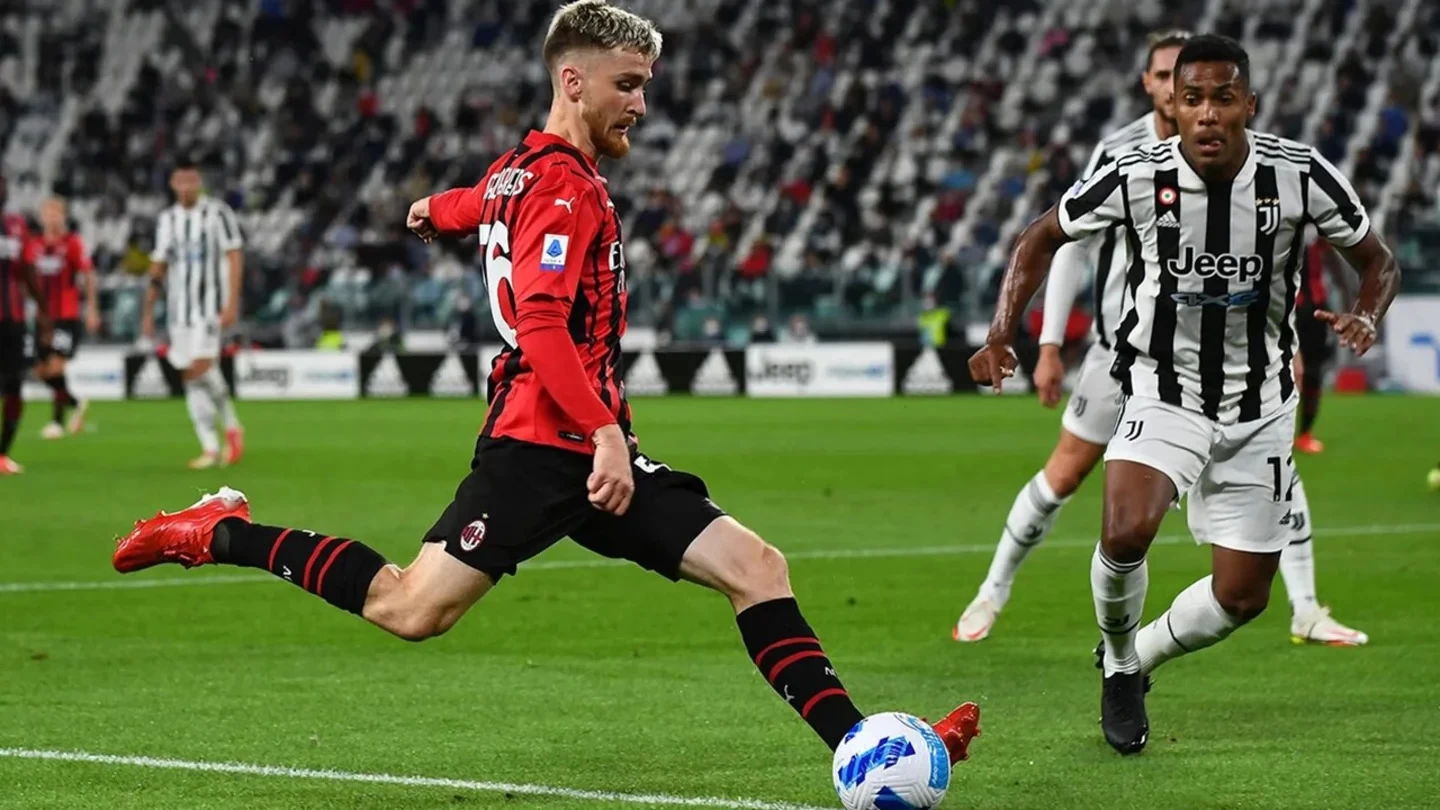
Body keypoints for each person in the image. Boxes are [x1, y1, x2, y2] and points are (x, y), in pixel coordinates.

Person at [110, 0, 981, 768]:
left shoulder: (522, 169)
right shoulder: (565, 189)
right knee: (410, 609)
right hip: (540, 446)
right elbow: (540, 325)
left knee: (757, 567)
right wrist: (604, 433)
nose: (640, 104)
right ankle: (220, 533)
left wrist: (432, 209)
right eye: (627, 85)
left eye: (644, 86)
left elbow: (473, 201)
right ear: (573, 81)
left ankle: (867, 752)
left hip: (590, 452)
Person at [969, 35, 1398, 754]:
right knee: (1124, 529)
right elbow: (1040, 238)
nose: (1205, 114)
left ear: (1249, 105)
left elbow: (1377, 259)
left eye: (1222, 99)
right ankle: (1118, 664)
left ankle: (1144, 654)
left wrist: (1367, 313)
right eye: (1191, 98)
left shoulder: (1299, 174)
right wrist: (1002, 333)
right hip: (1163, 391)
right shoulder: (1135, 173)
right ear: (1172, 102)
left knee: (1242, 597)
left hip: (1261, 407)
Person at [142, 158, 246, 469]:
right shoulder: (167, 220)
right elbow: (158, 266)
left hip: (209, 307)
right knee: (190, 376)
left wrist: (231, 303)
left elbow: (234, 255)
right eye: (181, 181)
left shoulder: (218, 213)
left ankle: (231, 427)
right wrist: (148, 310)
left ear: (199, 182)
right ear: (173, 184)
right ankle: (211, 446)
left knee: (199, 368)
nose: (186, 187)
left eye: (191, 180)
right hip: (179, 312)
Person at [25, 197, 97, 438]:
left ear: (64, 216)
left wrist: (92, 309)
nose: (52, 217)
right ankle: (75, 402)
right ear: (41, 217)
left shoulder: (72, 243)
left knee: (56, 367)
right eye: (48, 212)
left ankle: (57, 422)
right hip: (41, 318)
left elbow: (88, 274)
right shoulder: (33, 244)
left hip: (66, 315)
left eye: (57, 213)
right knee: (40, 370)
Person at [0, 175, 50, 475]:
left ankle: (2, 453)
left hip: (13, 320)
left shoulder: (17, 226)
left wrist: (43, 311)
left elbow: (29, 272)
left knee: (14, 385)